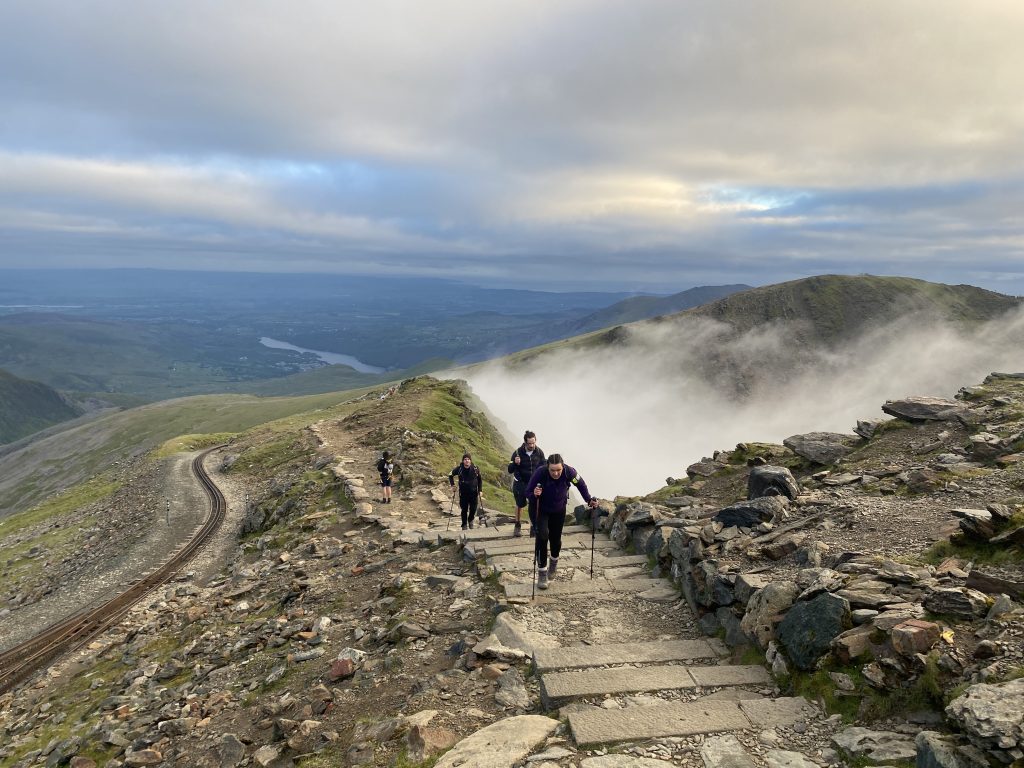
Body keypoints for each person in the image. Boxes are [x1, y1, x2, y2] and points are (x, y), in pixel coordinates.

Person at [526, 453, 598, 589]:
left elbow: (580, 484)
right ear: (548, 467)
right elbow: (528, 492)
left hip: (558, 510)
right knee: (542, 536)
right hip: (540, 509)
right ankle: (542, 573)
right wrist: (534, 494)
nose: (556, 473)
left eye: (558, 470)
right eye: (552, 470)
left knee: (555, 540)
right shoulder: (540, 473)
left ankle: (553, 563)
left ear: (562, 466)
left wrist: (589, 499)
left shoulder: (569, 472)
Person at [507, 430, 545, 538]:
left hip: (534, 483)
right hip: (520, 483)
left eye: (534, 443)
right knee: (520, 504)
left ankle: (533, 527)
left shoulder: (539, 452)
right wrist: (515, 463)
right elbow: (510, 470)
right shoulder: (517, 453)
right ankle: (517, 525)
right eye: (530, 443)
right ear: (525, 442)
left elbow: (544, 467)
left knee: (534, 504)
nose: (532, 445)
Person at [449, 453, 483, 530]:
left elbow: (480, 480)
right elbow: (450, 475)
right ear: (463, 461)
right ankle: (464, 525)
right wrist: (453, 485)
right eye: (465, 459)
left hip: (474, 493)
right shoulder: (459, 469)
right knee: (464, 509)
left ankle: (470, 520)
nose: (467, 461)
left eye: (468, 459)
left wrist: (480, 490)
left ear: (470, 461)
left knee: (473, 509)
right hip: (463, 493)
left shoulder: (475, 469)